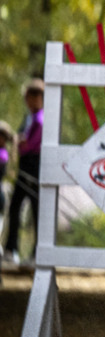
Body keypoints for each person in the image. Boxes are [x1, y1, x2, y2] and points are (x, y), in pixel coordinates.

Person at [3, 79, 44, 265]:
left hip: (34, 170)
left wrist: (19, 142)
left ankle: (37, 252)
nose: (27, 102)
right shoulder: (29, 118)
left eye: (29, 98)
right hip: (24, 169)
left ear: (37, 98)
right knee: (15, 209)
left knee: (36, 212)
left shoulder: (40, 120)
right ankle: (11, 249)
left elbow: (29, 145)